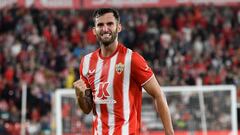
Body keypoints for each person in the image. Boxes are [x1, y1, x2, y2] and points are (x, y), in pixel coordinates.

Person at [73, 8, 174, 135]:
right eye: (100, 25)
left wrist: (169, 132)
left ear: (118, 27)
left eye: (110, 24)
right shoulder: (86, 62)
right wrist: (79, 96)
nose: (105, 29)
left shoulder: (132, 59)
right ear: (94, 30)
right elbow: (87, 109)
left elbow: (158, 94)